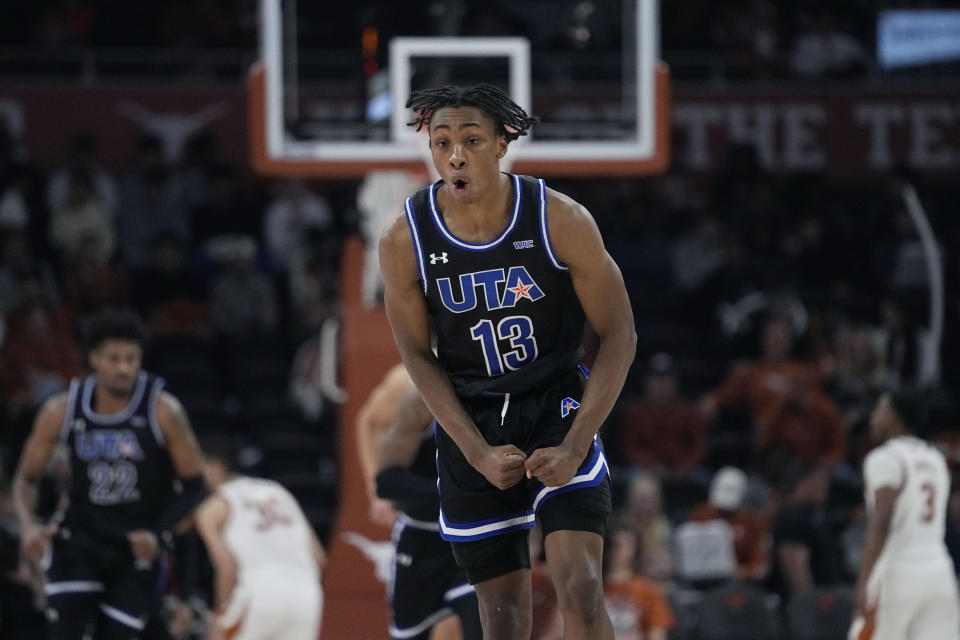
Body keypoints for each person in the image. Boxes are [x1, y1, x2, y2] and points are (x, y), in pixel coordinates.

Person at [379, 84, 636, 639]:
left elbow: (619, 334)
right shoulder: (405, 238)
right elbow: (418, 357)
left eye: (472, 140)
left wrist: (575, 443)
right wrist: (473, 449)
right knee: (502, 619)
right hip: (473, 414)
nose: (455, 155)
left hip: (554, 400)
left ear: (502, 144)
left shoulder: (559, 218)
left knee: (580, 585)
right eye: (442, 141)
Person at [12, 308, 207, 639]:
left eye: (132, 358)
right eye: (113, 358)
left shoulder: (163, 411)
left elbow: (196, 485)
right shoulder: (61, 409)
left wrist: (158, 534)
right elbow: (25, 479)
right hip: (80, 539)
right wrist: (29, 526)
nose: (124, 368)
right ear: (93, 358)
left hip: (134, 546)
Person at [361, 364, 482, 640]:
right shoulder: (408, 382)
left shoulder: (503, 381)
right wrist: (373, 488)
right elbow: (368, 422)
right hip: (421, 534)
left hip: (472, 539)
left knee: (483, 626)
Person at [850, 392, 960, 640]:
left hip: (897, 572)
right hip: (939, 572)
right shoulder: (936, 459)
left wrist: (864, 584)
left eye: (880, 410)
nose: (874, 417)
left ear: (896, 418)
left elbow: (881, 521)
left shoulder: (885, 458)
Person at [194, 441, 326, 640]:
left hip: (260, 591)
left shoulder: (216, 505)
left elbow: (227, 567)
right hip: (307, 593)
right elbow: (319, 558)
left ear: (215, 468)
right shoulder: (281, 493)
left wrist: (221, 615)